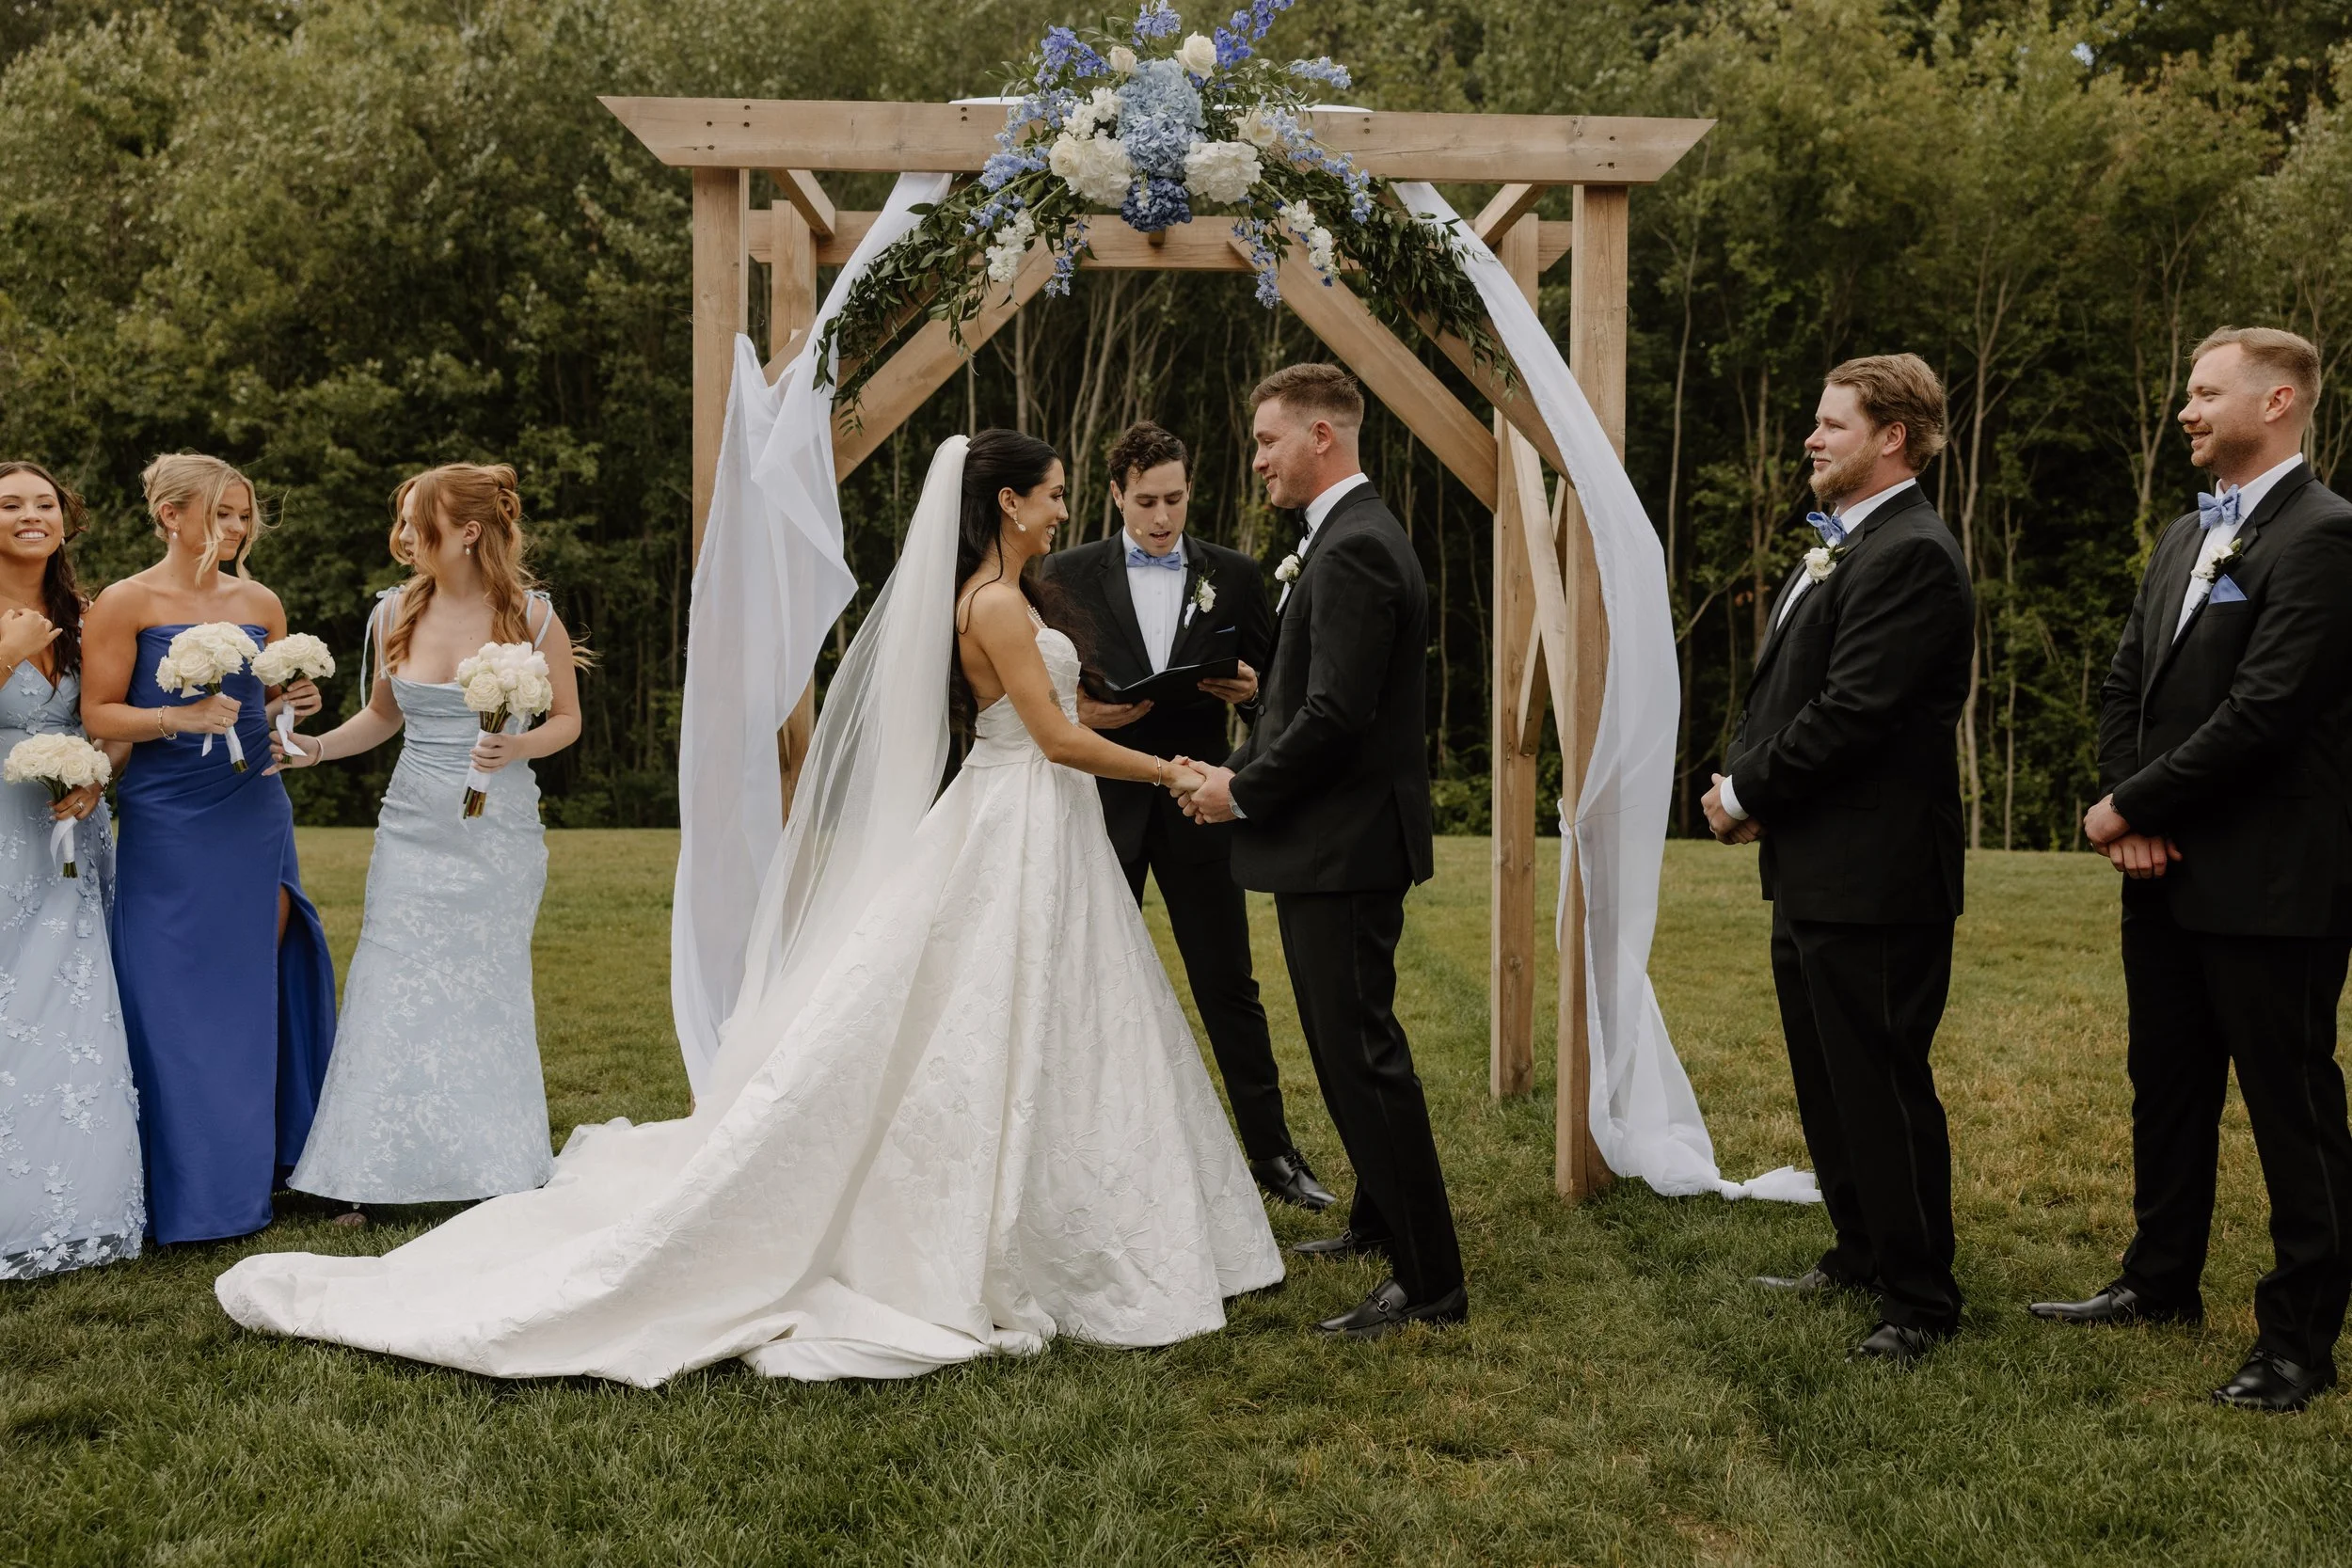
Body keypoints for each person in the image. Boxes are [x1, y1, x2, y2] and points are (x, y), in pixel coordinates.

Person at [215, 431, 1281, 1385]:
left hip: (1029, 821)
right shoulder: (995, 601)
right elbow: (1047, 738)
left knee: (1040, 1009)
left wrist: (1138, 718)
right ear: (1009, 503)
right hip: (1020, 808)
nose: (1061, 509)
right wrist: (1176, 772)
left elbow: (1050, 713)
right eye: (1050, 494)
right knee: (995, 1007)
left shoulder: (1011, 596)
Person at [2032, 326, 2352, 1413]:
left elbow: (2263, 712)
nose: (2185, 409)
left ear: (2277, 402)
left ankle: (2299, 1343)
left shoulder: (2325, 536)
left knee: (2290, 1110)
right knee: (2164, 1087)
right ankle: (2157, 1279)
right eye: (2184, 391)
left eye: (2205, 392)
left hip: (2272, 882)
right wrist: (2130, 820)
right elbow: (2128, 678)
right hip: (2161, 870)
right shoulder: (2183, 534)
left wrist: (2130, 802)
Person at [1174, 364, 1463, 1341]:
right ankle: (1378, 1222)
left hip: (1342, 846)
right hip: (1336, 839)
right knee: (1350, 1047)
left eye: (1267, 440)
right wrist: (1260, 705)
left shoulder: (1351, 550)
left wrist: (1240, 786)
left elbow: (1340, 715)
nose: (1257, 458)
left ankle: (1429, 1282)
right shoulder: (1344, 538)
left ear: (1320, 439)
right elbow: (1329, 693)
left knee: (1360, 1055)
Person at [1699, 354, 1973, 1366]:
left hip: (1879, 873)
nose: (1810, 439)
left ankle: (1920, 1295)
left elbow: (1854, 712)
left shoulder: (1909, 553)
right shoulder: (1846, 545)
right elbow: (1790, 695)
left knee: (1881, 1079)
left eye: (1830, 424)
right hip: (1819, 863)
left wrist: (1746, 792)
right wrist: (1755, 788)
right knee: (1827, 1073)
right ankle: (1860, 1245)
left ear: (1890, 436)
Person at [273, 464, 582, 1219]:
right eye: (404, 521)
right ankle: (370, 1172)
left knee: (484, 994)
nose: (404, 537)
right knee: (389, 988)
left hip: (496, 836)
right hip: (411, 827)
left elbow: (568, 721)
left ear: (468, 531)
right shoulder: (393, 613)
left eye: (418, 522)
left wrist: (519, 748)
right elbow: (381, 718)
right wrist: (313, 749)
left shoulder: (534, 618)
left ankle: (489, 1165)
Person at [1041, 420, 1330, 1211]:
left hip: (1201, 802)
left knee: (1228, 981)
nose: (1162, 517)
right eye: (1145, 502)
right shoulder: (1061, 574)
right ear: (1115, 495)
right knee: (1083, 979)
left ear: (1189, 491)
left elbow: (1286, 692)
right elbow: (1032, 692)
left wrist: (1252, 697)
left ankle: (1273, 1156)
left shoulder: (1234, 576)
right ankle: (1077, 1156)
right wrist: (1087, 716)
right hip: (1101, 806)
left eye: (1174, 499)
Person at [81, 452, 337, 1245]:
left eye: (242, 514)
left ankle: (277, 1162)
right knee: (172, 997)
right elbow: (98, 714)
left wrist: (294, 700)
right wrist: (173, 720)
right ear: (172, 516)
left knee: (253, 985)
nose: (235, 528)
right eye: (222, 513)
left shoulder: (260, 599)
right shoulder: (127, 601)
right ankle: (192, 1186)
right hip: (168, 817)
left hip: (253, 806)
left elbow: (262, 702)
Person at [0, 460, 144, 1278]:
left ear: (65, 518)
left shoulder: (86, 617)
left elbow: (107, 722)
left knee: (73, 1003)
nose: (30, 514)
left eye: (43, 503)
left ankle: (80, 1205)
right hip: (0, 839)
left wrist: (98, 773)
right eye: (11, 503)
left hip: (70, 836)